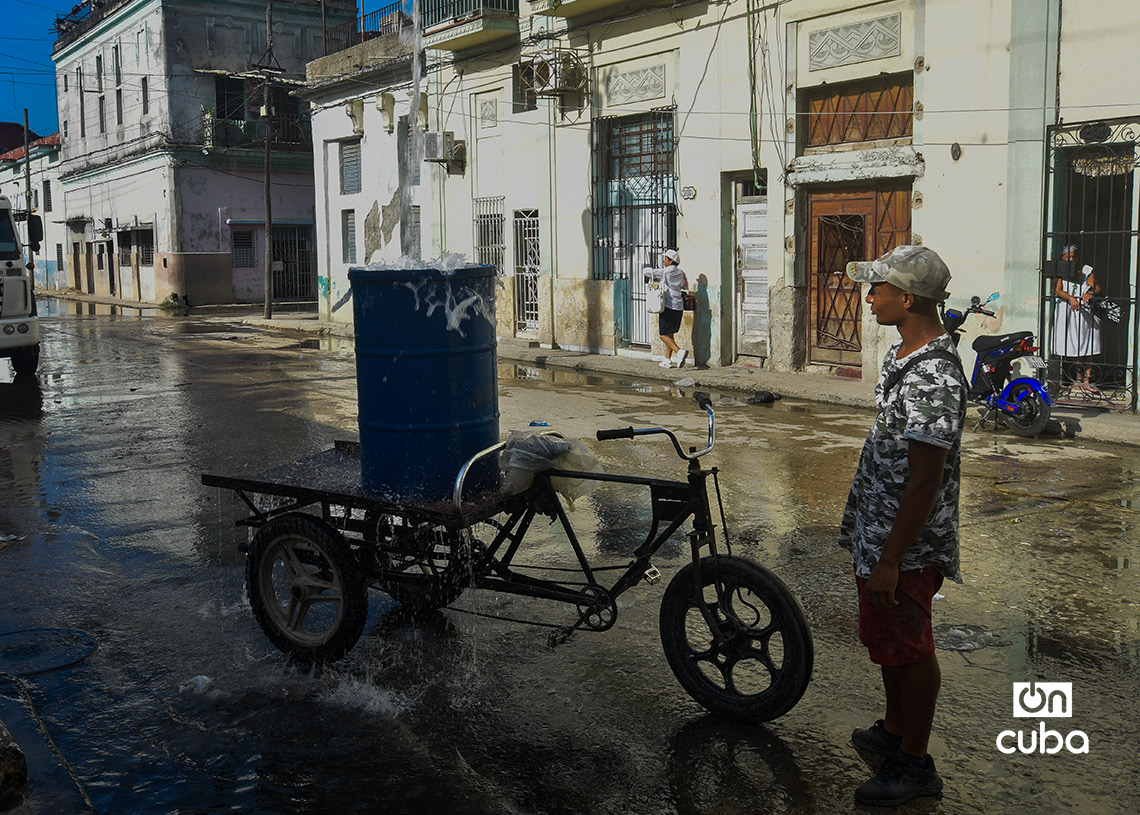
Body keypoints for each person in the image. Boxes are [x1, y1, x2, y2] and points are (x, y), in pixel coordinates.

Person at [841, 245, 967, 807]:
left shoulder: (934, 376)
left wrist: (892, 559)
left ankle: (915, 764)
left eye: (877, 290)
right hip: (881, 533)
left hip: (907, 545)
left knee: (912, 647)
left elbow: (924, 481)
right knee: (890, 638)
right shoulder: (904, 357)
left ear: (907, 297)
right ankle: (894, 732)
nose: (869, 298)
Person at [1052, 244, 1102, 389]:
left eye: (1074, 256)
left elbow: (1093, 286)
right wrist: (1071, 298)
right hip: (1069, 311)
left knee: (1088, 344)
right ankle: (1078, 377)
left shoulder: (1086, 270)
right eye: (1068, 257)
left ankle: (1087, 379)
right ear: (1063, 258)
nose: (1072, 259)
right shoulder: (1060, 271)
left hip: (1086, 312)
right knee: (1074, 344)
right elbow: (1058, 290)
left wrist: (1089, 293)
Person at [643, 248, 688, 368]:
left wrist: (651, 268)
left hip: (668, 306)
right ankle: (667, 360)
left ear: (671, 260)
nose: (664, 261)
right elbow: (684, 286)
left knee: (663, 335)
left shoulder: (665, 272)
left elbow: (646, 272)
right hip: (678, 306)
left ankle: (679, 352)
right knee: (670, 334)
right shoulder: (680, 273)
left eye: (665, 259)